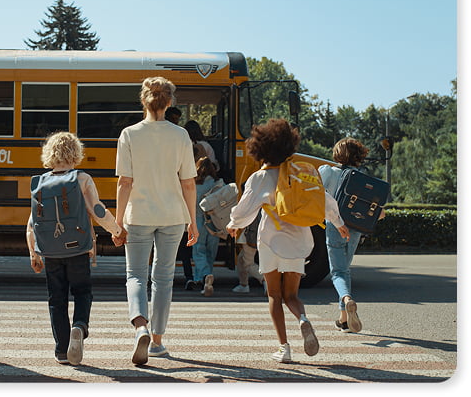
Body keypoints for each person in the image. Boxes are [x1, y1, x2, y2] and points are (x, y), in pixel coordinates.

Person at [226, 118, 350, 363]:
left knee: (274, 296)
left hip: (271, 240)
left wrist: (233, 224)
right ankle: (303, 320)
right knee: (292, 296)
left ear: (261, 148)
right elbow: (324, 200)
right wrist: (339, 223)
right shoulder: (300, 172)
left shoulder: (260, 178)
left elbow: (244, 210)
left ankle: (284, 348)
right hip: (299, 240)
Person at [114, 76, 199, 365]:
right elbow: (188, 183)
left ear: (144, 99)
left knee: (135, 274)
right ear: (170, 102)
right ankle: (158, 341)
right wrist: (193, 221)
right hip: (173, 215)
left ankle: (141, 327)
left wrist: (117, 222)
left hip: (138, 215)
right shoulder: (180, 136)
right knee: (163, 279)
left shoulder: (129, 134)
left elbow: (125, 182)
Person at [26, 132, 126, 366]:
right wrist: (117, 231)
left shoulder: (39, 182)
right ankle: (79, 326)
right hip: (78, 249)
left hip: (50, 251)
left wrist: (33, 252)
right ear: (75, 153)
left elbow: (32, 223)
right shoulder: (81, 178)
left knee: (56, 299)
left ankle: (62, 350)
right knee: (82, 292)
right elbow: (98, 211)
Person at [319, 137, 385, 333]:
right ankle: (344, 319)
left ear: (337, 153)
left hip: (334, 226)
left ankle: (347, 300)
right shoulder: (363, 178)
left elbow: (318, 197)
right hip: (355, 227)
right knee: (345, 270)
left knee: (338, 272)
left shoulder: (327, 171)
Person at [191, 156, 221, 297]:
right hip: (215, 222)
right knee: (210, 252)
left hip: (198, 221)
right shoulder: (218, 185)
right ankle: (205, 279)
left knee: (199, 251)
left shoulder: (194, 186)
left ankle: (204, 275)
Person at [232, 217, 265, 294]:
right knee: (241, 259)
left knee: (248, 263)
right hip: (252, 232)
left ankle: (265, 280)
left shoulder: (250, 204)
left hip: (250, 234)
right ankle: (243, 285)